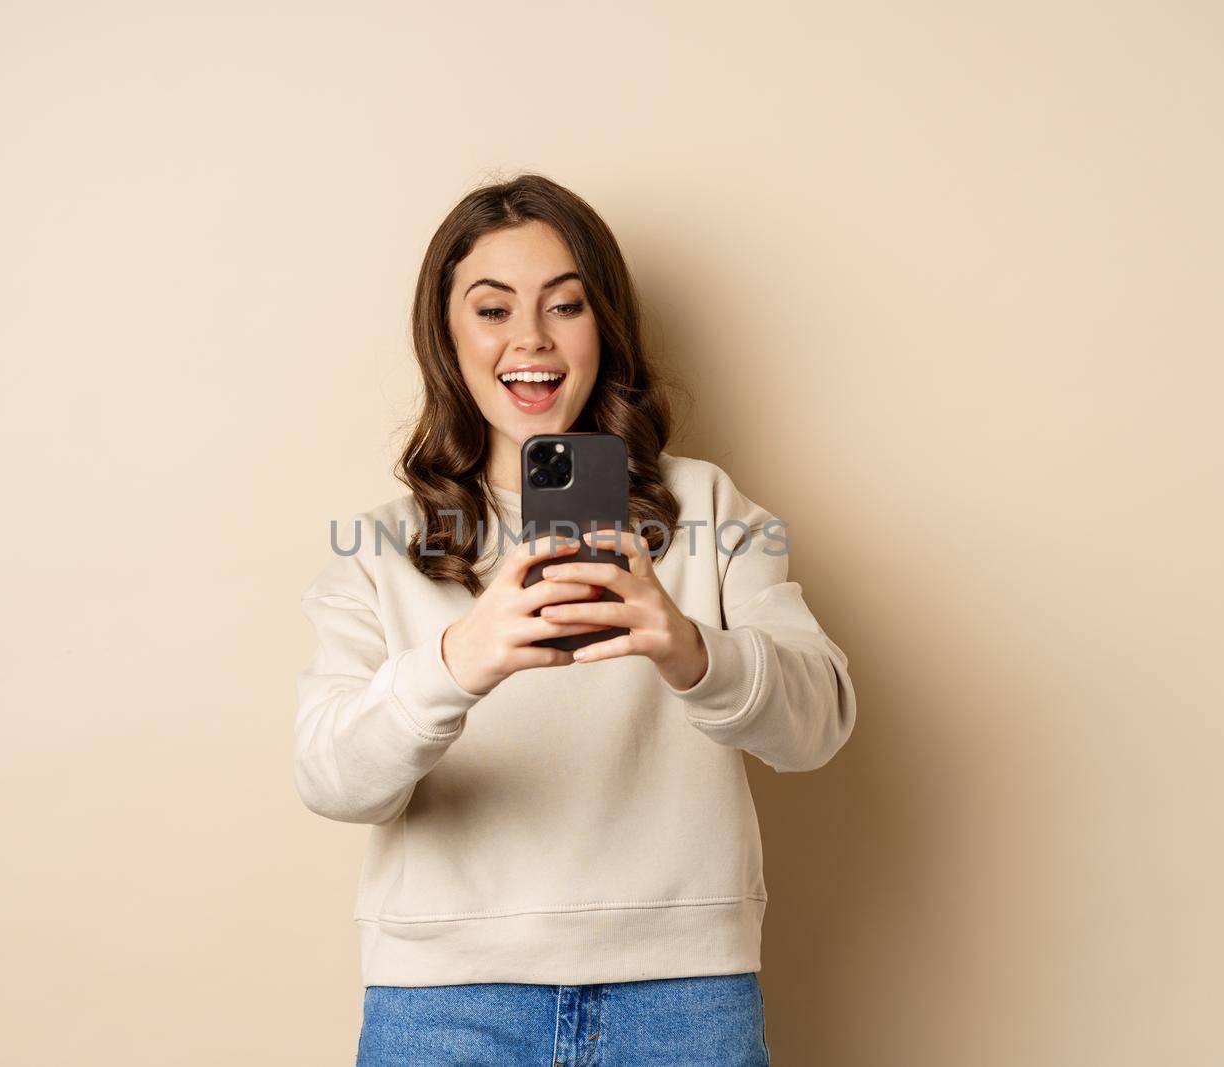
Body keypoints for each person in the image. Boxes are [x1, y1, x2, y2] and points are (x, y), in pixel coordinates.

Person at [294, 173, 858, 1066]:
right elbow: (330, 778)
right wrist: (457, 660)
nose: (531, 340)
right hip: (444, 1003)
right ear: (445, 334)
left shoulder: (707, 507)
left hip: (684, 994)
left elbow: (819, 722)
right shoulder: (381, 543)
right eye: (492, 309)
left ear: (606, 328)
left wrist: (690, 648)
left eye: (566, 305)